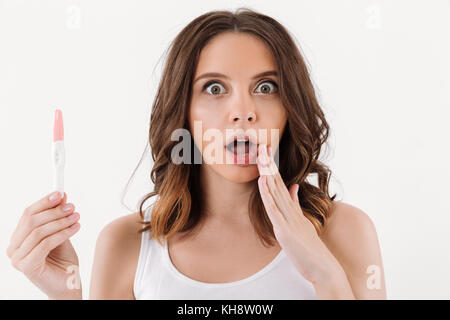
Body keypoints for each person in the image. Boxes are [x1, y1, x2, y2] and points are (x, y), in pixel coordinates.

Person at [6, 8, 386, 300]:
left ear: (290, 108)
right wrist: (67, 292)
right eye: (215, 89)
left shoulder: (346, 233)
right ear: (183, 111)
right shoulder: (124, 246)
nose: (243, 110)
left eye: (267, 87)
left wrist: (324, 272)